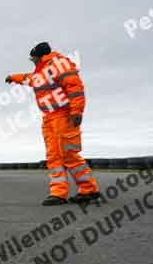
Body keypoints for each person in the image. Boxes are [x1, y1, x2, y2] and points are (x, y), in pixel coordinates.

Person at [6, 42, 101, 206]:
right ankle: (58, 194)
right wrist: (13, 78)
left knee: (68, 154)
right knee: (53, 156)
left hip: (64, 116)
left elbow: (75, 87)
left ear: (40, 56)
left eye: (33, 58)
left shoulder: (59, 65)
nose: (32, 61)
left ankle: (89, 190)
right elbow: (29, 79)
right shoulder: (41, 71)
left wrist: (77, 112)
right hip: (49, 118)